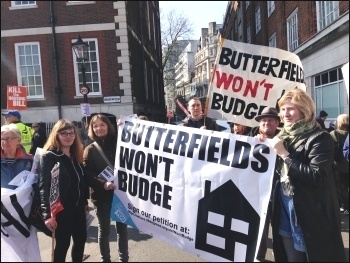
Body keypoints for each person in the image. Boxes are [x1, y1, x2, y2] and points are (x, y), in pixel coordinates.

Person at [258, 88, 346, 262]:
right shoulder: (283, 137)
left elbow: (317, 176)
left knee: (314, 255)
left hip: (310, 213)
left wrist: (284, 155)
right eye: (283, 109)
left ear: (304, 110)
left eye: (291, 109)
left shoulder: (320, 138)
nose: (286, 114)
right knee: (292, 257)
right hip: (284, 208)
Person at [38, 119, 90, 262]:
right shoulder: (49, 156)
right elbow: (44, 187)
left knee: (80, 241)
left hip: (79, 208)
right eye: (64, 133)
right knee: (62, 244)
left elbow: (81, 182)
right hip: (61, 210)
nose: (68, 136)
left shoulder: (76, 155)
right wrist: (47, 214)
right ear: (56, 135)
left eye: (71, 133)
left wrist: (84, 201)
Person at [83, 114, 129, 262]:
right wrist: (103, 183)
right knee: (104, 230)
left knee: (122, 229)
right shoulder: (89, 149)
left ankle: (124, 259)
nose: (99, 128)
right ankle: (106, 260)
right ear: (91, 129)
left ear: (109, 126)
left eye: (102, 124)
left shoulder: (120, 142)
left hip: (121, 193)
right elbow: (87, 174)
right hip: (101, 195)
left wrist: (126, 126)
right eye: (95, 126)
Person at [247, 107, 280, 261]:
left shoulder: (285, 139)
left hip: (280, 193)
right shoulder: (251, 138)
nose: (267, 122)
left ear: (277, 123)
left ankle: (280, 255)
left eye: (270, 120)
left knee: (281, 231)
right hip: (259, 193)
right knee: (259, 230)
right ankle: (258, 257)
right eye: (264, 120)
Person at [1, 123, 33, 189]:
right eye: (2, 139)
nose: (4, 142)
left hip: (23, 198)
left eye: (8, 139)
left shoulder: (29, 160)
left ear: (19, 140)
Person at [330, 114, 349, 214]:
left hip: (339, 165)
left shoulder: (334, 134)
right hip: (346, 163)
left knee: (340, 187)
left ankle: (345, 206)